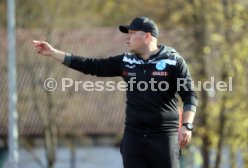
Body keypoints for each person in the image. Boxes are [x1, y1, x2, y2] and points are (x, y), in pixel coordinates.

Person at [33, 16, 197, 168]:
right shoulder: (126, 61)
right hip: (134, 137)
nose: (127, 37)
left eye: (132, 33)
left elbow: (189, 96)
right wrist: (54, 53)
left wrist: (187, 126)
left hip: (164, 136)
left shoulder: (173, 60)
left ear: (147, 36)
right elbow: (92, 66)